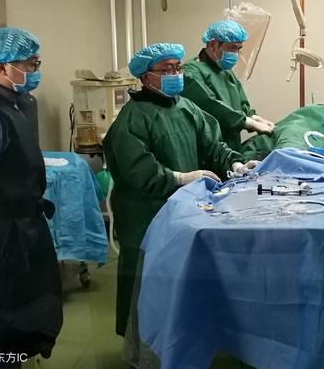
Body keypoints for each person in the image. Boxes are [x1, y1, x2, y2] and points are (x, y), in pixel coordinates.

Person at [103, 42, 257, 336]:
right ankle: (141, 345)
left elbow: (213, 146)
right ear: (145, 77)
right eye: (166, 70)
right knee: (145, 281)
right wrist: (179, 178)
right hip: (144, 216)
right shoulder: (132, 119)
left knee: (178, 280)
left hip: (181, 211)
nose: (175, 74)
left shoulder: (186, 108)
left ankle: (179, 340)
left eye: (177, 68)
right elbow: (139, 171)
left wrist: (235, 164)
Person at [0, 27, 62, 367]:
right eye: (29, 64)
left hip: (17, 229)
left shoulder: (13, 105)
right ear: (0, 66)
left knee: (16, 317)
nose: (35, 71)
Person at [182, 19, 274, 151]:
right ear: (212, 44)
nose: (235, 53)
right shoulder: (191, 72)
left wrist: (253, 117)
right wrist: (248, 122)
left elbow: (240, 99)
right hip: (208, 148)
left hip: (231, 147)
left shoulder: (224, 70)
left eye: (238, 48)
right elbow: (209, 106)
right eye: (232, 47)